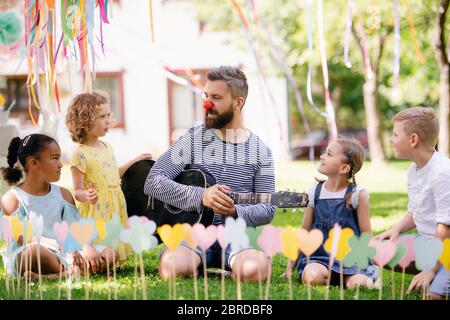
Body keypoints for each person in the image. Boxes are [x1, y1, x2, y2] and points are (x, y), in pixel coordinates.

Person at [145, 66, 275, 282]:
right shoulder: (193, 139)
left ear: (238, 102)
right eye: (206, 95)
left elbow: (268, 208)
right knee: (173, 267)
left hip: (236, 235)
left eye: (216, 97)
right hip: (192, 232)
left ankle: (232, 265)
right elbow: (154, 181)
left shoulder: (261, 151)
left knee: (256, 270)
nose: (207, 104)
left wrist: (235, 211)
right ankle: (203, 265)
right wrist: (201, 196)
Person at [65, 92, 152, 268]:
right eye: (102, 117)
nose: (108, 121)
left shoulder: (107, 147)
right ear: (85, 121)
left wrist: (134, 161)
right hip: (96, 214)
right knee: (101, 256)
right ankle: (83, 260)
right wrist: (86, 195)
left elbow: (113, 175)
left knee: (112, 255)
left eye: (108, 115)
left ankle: (94, 262)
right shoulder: (80, 154)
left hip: (113, 209)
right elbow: (77, 191)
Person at [377, 107, 450, 300]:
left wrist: (431, 271)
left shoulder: (442, 173)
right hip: (429, 244)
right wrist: (396, 230)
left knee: (433, 295)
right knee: (374, 247)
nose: (391, 140)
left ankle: (437, 275)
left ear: (413, 140)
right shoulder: (414, 170)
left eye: (395, 134)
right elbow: (415, 211)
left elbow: (445, 228)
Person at [292, 136, 378, 289]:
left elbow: (366, 235)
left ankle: (349, 278)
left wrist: (376, 262)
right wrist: (289, 267)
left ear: (344, 168)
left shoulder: (358, 195)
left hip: (351, 260)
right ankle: (330, 276)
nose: (322, 156)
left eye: (329, 154)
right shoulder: (314, 192)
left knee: (359, 285)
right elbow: (304, 232)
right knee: (311, 277)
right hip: (318, 258)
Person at [0, 134, 83, 280]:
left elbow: (75, 233)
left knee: (110, 253)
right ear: (34, 163)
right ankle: (66, 273)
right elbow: (22, 237)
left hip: (62, 255)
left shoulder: (64, 196)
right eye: (54, 158)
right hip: (27, 254)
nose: (61, 163)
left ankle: (50, 275)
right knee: (35, 252)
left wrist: (78, 251)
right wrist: (55, 244)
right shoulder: (12, 199)